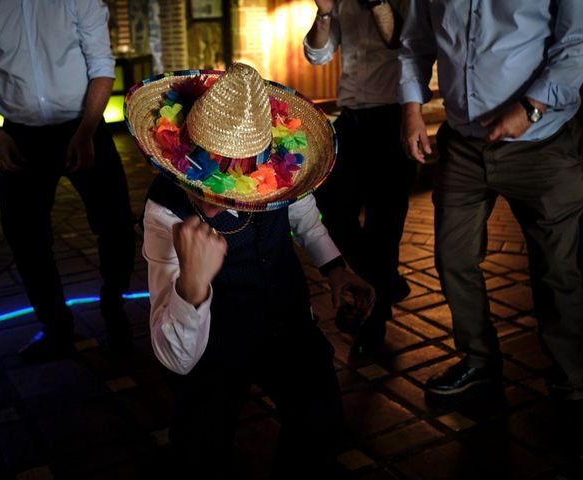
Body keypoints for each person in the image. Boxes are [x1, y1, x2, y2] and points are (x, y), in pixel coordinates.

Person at [130, 63, 375, 476]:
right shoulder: (164, 213)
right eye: (205, 173)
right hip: (213, 342)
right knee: (198, 450)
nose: (214, 194)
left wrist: (335, 269)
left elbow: (304, 218)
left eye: (239, 171)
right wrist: (192, 285)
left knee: (321, 419)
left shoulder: (279, 174)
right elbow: (175, 357)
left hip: (285, 320)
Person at [399, 1, 583, 402]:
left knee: (558, 270)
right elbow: (416, 43)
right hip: (463, 144)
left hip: (542, 142)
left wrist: (531, 108)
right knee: (453, 258)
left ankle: (574, 383)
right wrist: (412, 110)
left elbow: (576, 43)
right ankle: (479, 361)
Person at [0, 0, 136, 361]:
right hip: (21, 134)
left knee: (116, 224)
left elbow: (101, 65)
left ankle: (114, 306)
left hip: (84, 125)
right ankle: (57, 327)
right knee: (25, 237)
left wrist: (87, 130)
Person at [303, 0, 415, 354]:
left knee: (384, 227)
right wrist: (323, 12)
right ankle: (386, 283)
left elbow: (403, 40)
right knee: (330, 209)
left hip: (394, 118)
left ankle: (374, 322)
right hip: (351, 118)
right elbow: (317, 55)